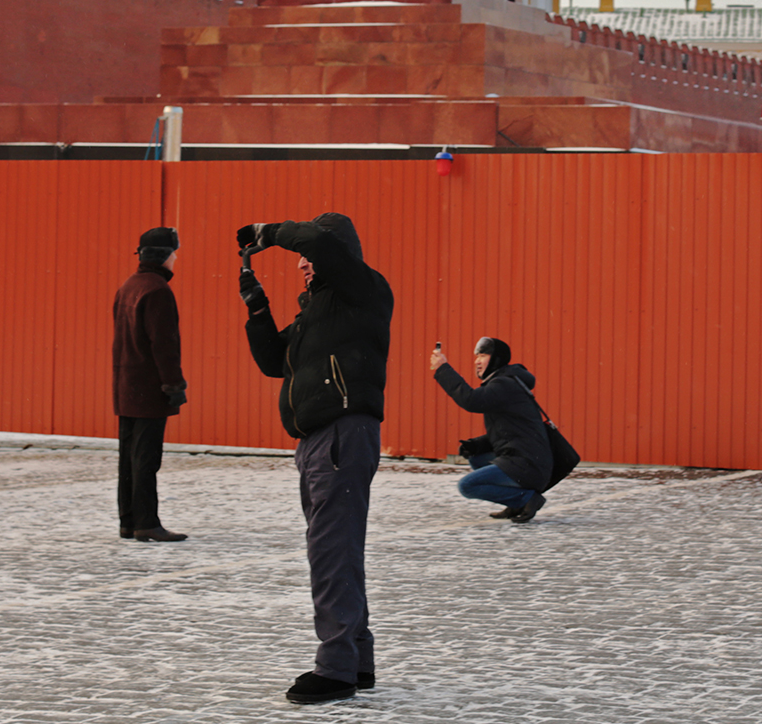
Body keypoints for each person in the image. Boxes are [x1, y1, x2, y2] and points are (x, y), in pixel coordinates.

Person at [237, 213, 393, 705]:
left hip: (343, 434)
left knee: (331, 551)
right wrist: (256, 305)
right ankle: (356, 660)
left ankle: (336, 668)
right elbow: (272, 363)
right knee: (338, 550)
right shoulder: (317, 314)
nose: (302, 263)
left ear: (335, 251)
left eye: (309, 255)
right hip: (318, 441)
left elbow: (317, 245)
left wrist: (268, 233)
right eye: (300, 258)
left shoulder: (362, 288)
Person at [111, 227, 188, 543]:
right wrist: (173, 384)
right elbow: (164, 345)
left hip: (126, 386)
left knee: (129, 457)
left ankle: (128, 521)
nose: (175, 258)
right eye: (174, 253)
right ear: (165, 255)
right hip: (149, 388)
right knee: (146, 459)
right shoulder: (157, 291)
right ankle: (146, 522)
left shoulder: (129, 286)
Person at [429, 336, 553, 523]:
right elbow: (509, 431)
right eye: (476, 356)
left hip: (528, 463)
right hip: (527, 458)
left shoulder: (505, 384)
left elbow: (471, 400)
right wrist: (477, 445)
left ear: (496, 359)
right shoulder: (507, 381)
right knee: (477, 457)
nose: (477, 361)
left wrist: (443, 369)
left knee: (467, 486)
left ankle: (526, 499)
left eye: (483, 355)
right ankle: (516, 503)